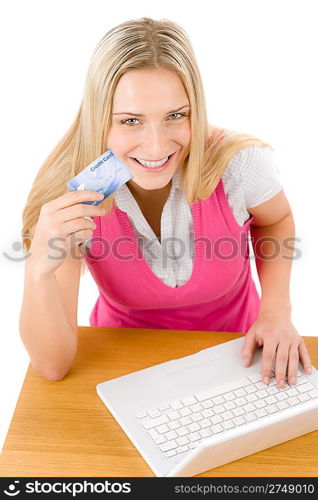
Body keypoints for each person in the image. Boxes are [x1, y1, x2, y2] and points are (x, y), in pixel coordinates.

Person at [20, 17, 312, 387]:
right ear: (98, 117)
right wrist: (37, 269)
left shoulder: (239, 164)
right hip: (124, 360)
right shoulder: (70, 195)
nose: (157, 147)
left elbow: (274, 219)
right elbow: (52, 366)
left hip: (239, 352)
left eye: (175, 116)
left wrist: (277, 311)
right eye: (130, 121)